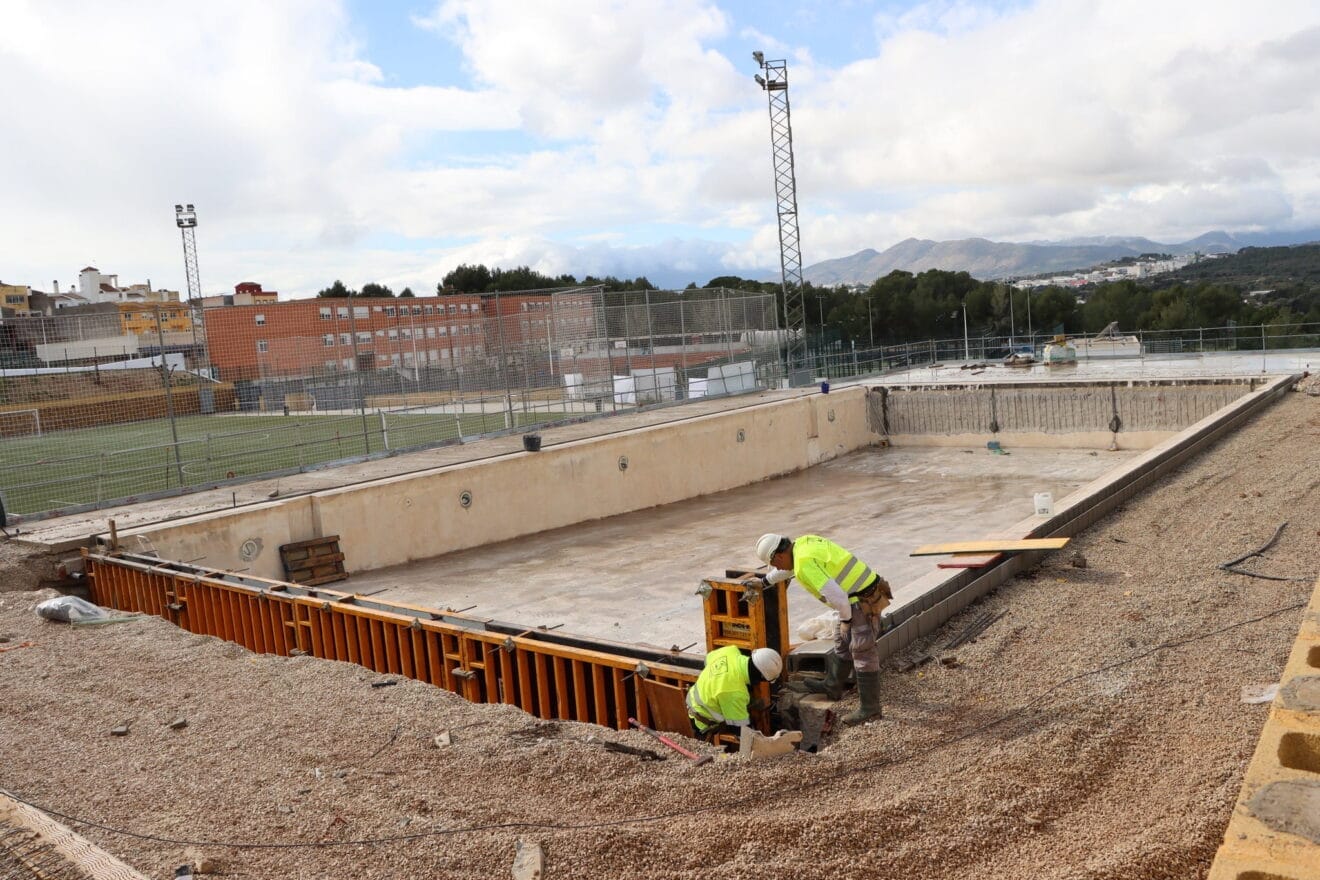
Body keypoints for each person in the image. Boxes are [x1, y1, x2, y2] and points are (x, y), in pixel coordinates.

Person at [753, 533, 892, 725]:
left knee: (862, 652)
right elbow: (789, 569)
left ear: (778, 556)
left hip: (861, 601)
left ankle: (870, 709)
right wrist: (765, 581)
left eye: (775, 564)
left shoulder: (804, 564)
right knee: (842, 642)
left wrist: (846, 620)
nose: (778, 568)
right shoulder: (803, 543)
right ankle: (832, 686)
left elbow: (839, 597)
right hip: (860, 592)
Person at [686, 644, 783, 742]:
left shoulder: (731, 651)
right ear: (760, 677)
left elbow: (708, 659)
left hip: (693, 697)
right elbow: (740, 730)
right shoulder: (735, 692)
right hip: (701, 719)